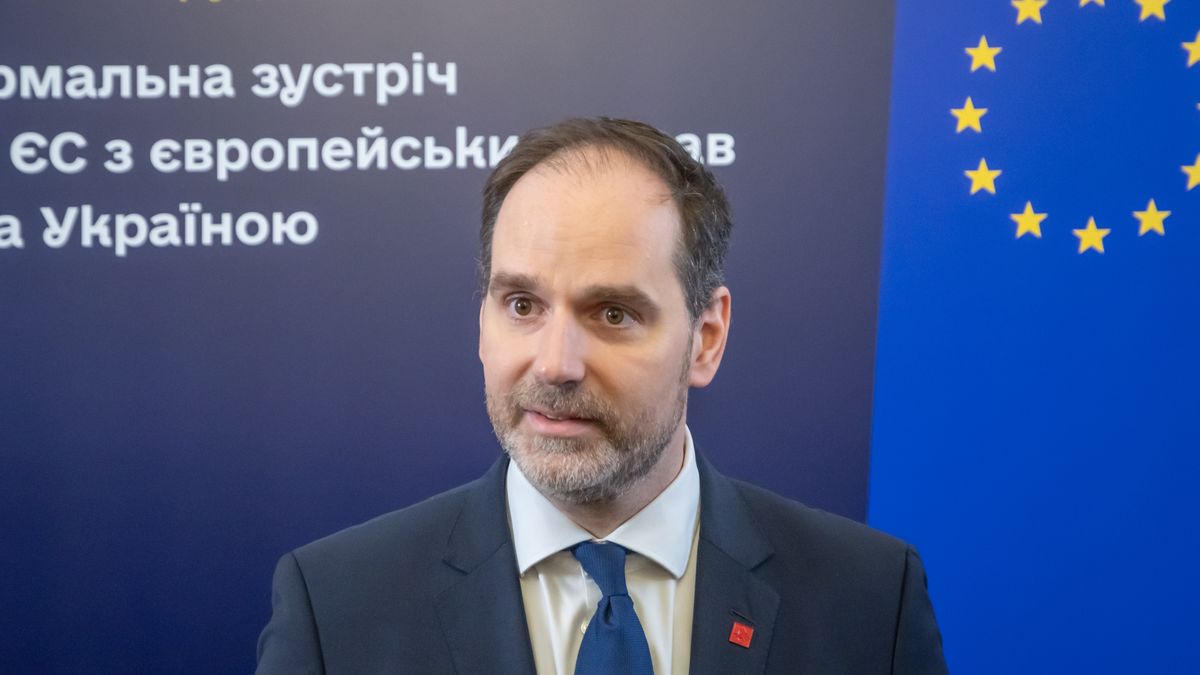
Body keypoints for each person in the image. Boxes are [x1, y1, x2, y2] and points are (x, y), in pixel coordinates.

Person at [255, 117, 948, 674]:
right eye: (522, 304)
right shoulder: (337, 609)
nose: (555, 364)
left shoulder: (868, 600)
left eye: (612, 313)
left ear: (706, 337)